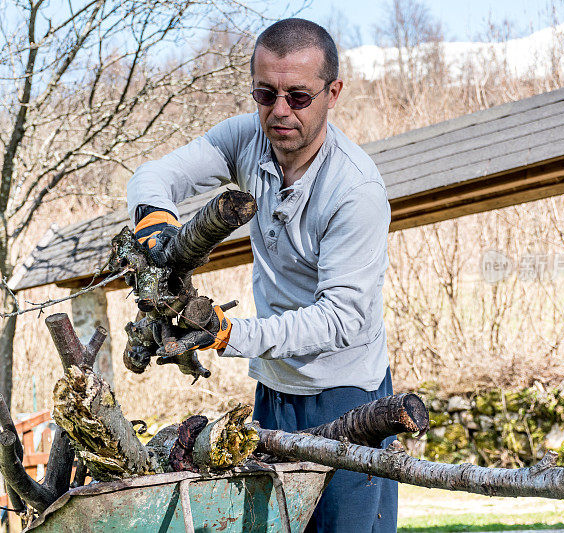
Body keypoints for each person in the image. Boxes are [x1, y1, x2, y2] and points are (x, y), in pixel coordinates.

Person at [127, 18, 396, 532]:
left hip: (346, 393)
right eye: (264, 93)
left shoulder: (355, 189)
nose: (279, 111)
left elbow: (342, 319)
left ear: (333, 92)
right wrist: (156, 222)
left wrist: (230, 335)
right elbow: (153, 176)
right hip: (273, 392)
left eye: (298, 96)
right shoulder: (246, 139)